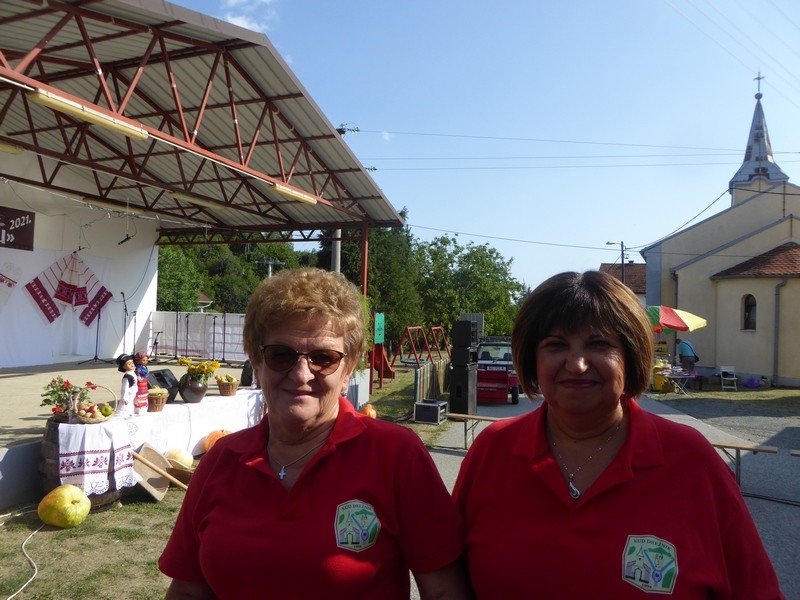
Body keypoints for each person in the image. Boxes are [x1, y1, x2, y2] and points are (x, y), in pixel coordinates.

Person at [453, 271, 784, 598]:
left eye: (599, 343)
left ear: (630, 355)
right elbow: (447, 581)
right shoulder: (493, 450)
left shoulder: (692, 461)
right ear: (531, 358)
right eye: (556, 344)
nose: (577, 364)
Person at [159, 267, 470, 599]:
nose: (301, 374)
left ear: (348, 367)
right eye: (281, 355)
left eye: (323, 357)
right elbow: (188, 591)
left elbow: (444, 591)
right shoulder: (221, 460)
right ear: (256, 361)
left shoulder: (395, 456)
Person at [115, 353, 137, 419]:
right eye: (129, 364)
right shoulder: (127, 377)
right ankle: (121, 415)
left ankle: (130, 413)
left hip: (133, 392)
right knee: (124, 405)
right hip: (128, 393)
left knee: (131, 403)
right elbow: (124, 388)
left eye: (132, 363)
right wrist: (124, 397)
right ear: (123, 366)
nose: (132, 365)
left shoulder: (133, 373)